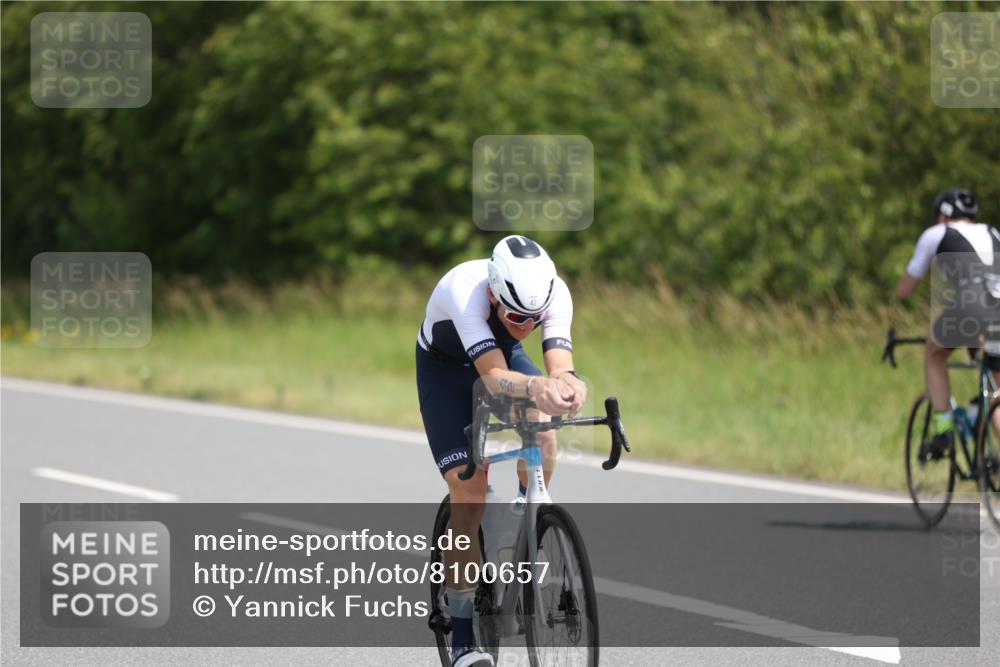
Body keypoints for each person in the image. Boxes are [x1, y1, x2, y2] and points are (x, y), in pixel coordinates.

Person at [416, 235, 587, 667]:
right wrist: (536, 387)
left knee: (544, 431)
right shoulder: (465, 289)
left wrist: (569, 386)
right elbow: (493, 379)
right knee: (470, 495)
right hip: (445, 373)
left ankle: (524, 518)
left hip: (502, 356)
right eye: (515, 317)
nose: (526, 326)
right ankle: (461, 638)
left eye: (534, 319)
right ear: (493, 295)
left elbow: (560, 367)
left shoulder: (554, 293)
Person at [897, 188, 1000, 460]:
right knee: (996, 394)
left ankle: (943, 428)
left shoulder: (936, 233)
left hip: (973, 302)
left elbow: (905, 289)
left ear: (942, 216)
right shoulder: (993, 232)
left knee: (934, 353)